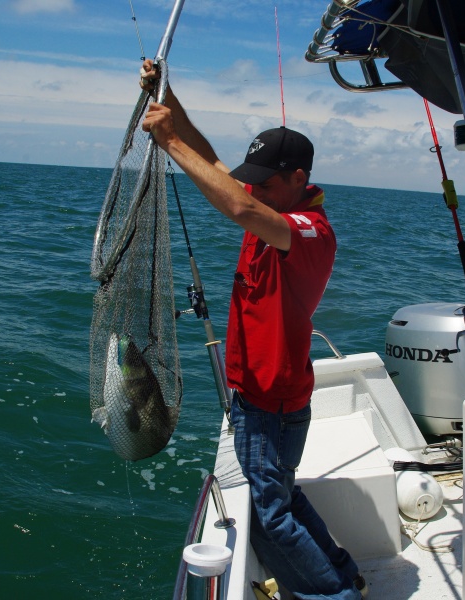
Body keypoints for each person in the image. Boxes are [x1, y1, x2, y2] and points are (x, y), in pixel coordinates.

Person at [139, 61, 367, 599]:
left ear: (298, 180)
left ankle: (334, 595)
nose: (253, 187)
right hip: (257, 395)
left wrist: (168, 140)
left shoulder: (307, 231)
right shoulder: (267, 201)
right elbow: (220, 170)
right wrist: (167, 97)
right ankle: (341, 568)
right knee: (281, 494)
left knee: (270, 517)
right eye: (254, 179)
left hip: (274, 401)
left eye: (265, 181)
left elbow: (236, 203)